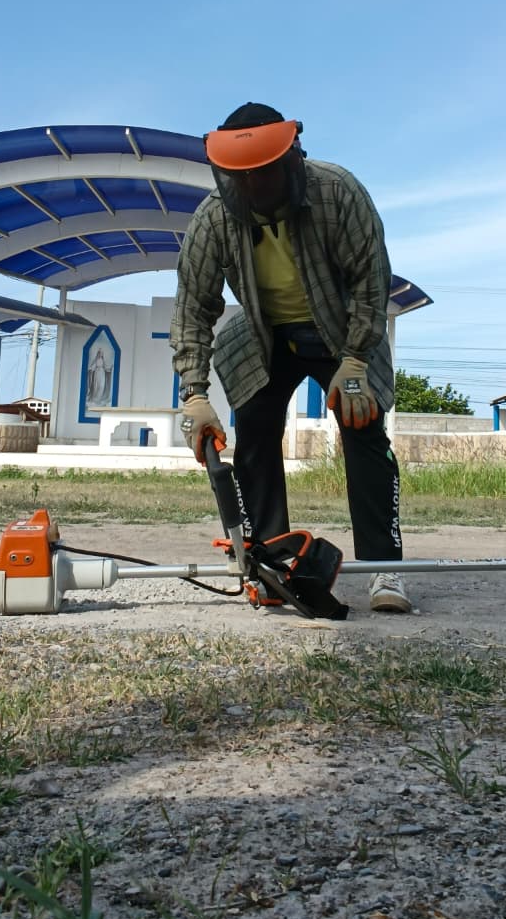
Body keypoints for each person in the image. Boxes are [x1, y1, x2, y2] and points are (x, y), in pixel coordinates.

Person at [170, 103, 411, 613]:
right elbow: (193, 306)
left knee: (363, 428)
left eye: (265, 174)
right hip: (264, 335)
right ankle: (270, 564)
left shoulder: (338, 192)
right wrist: (193, 394)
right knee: (254, 431)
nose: (254, 187)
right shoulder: (212, 219)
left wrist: (356, 363)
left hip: (341, 333)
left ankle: (383, 567)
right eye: (241, 178)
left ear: (293, 160)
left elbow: (371, 283)